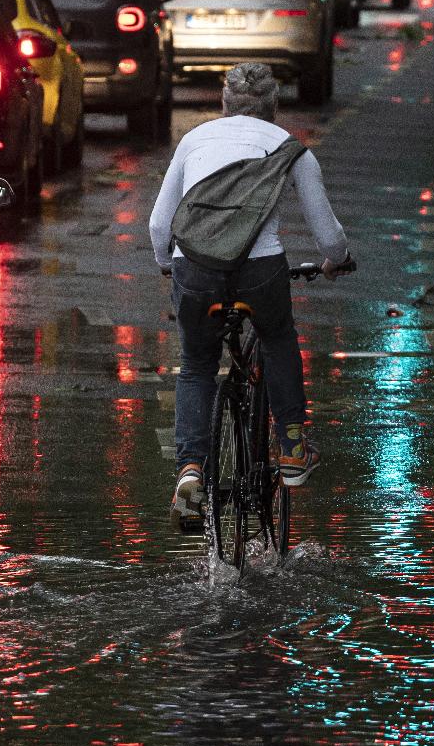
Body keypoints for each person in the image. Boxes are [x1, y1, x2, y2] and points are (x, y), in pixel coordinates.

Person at [149, 62, 351, 524]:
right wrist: (335, 262)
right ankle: (294, 446)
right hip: (261, 273)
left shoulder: (194, 141)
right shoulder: (290, 149)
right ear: (273, 108)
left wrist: (168, 264)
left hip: (195, 270)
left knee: (198, 364)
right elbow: (328, 236)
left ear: (223, 104)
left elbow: (160, 223)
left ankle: (190, 472)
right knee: (277, 336)